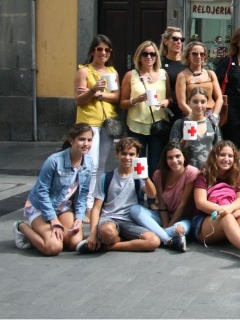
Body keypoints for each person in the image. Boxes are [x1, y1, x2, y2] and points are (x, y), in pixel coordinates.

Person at [13, 124, 94, 255]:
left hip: (63, 207)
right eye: (81, 139)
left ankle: (49, 231)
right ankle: (21, 227)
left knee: (74, 242)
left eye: (89, 140)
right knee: (53, 247)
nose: (86, 143)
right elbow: (41, 191)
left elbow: (83, 194)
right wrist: (53, 220)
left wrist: (79, 217)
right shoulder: (54, 161)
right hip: (40, 207)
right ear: (71, 140)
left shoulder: (89, 163)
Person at [78, 137, 161, 253]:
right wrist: (92, 234)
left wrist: (146, 179)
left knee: (153, 241)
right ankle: (116, 239)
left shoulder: (139, 177)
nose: (127, 158)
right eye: (124, 154)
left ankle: (107, 246)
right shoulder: (105, 178)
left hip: (130, 221)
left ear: (137, 156)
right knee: (107, 231)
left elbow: (152, 195)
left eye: (131, 154)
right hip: (110, 219)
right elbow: (96, 208)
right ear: (117, 155)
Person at [73, 35, 120, 214]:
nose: (103, 53)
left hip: (107, 121)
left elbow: (115, 96)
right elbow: (78, 100)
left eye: (107, 50)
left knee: (100, 165)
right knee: (90, 165)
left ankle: (93, 204)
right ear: (93, 50)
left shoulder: (112, 72)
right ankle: (85, 205)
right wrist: (93, 90)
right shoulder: (84, 71)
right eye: (99, 49)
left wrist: (97, 94)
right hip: (89, 122)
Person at [128, 141, 195, 252]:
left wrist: (169, 225)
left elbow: (183, 204)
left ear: (184, 157)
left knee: (179, 229)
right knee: (134, 210)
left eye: (178, 156)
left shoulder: (191, 172)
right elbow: (162, 204)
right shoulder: (158, 174)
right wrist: (165, 225)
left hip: (184, 218)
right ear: (165, 159)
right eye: (170, 157)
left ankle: (155, 235)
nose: (174, 161)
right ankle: (168, 239)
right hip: (164, 216)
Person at [120, 40, 171, 177]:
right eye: (145, 54)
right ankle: (137, 195)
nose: (149, 57)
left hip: (157, 124)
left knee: (155, 164)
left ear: (157, 56)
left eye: (153, 54)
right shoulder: (131, 75)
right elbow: (122, 103)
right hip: (136, 125)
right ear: (139, 56)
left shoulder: (162, 74)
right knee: (138, 164)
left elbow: (170, 97)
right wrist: (135, 100)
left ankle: (152, 197)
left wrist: (166, 101)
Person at [169, 87, 222, 168]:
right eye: (195, 102)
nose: (199, 105)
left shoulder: (212, 124)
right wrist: (185, 139)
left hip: (208, 172)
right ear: (189, 102)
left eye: (203, 102)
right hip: (187, 172)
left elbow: (219, 149)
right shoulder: (180, 124)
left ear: (207, 103)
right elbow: (172, 151)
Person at [175, 41, 223, 125]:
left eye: (202, 54)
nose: (199, 56)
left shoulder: (211, 74)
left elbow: (219, 98)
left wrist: (214, 115)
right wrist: (196, 119)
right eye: (194, 54)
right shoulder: (182, 76)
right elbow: (181, 103)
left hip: (210, 117)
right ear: (188, 56)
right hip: (191, 117)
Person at [159, 26, 185, 125]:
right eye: (175, 39)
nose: (179, 42)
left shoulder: (187, 63)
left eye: (181, 39)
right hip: (163, 109)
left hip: (183, 109)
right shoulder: (159, 62)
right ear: (165, 41)